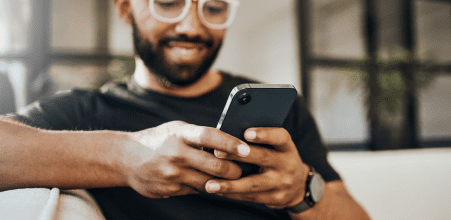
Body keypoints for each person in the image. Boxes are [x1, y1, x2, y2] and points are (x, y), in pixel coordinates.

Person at [0, 0, 370, 219]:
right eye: (169, 1)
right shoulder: (87, 113)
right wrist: (126, 156)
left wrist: (303, 191)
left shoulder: (279, 108)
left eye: (214, 7)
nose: (192, 26)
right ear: (126, 8)